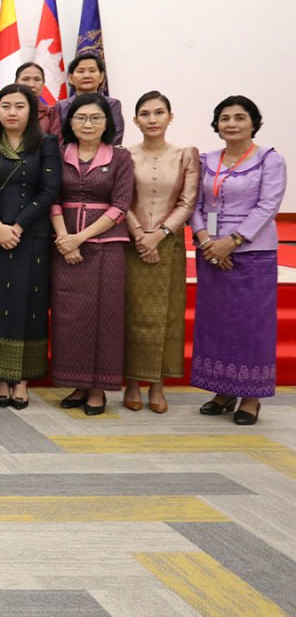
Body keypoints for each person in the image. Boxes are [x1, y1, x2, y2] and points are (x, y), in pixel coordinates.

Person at [191, 96, 286, 426]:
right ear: (217, 125)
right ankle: (222, 391)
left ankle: (251, 397)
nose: (231, 123)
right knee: (216, 324)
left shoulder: (269, 159)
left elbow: (268, 206)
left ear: (253, 123)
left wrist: (231, 243)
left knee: (251, 326)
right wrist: (206, 242)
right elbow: (195, 205)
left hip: (252, 253)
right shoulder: (206, 160)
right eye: (225, 118)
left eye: (239, 117)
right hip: (210, 252)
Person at [0, 84, 61, 409]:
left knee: (30, 304)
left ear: (32, 111)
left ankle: (22, 379)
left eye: (19, 106)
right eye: (5, 106)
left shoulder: (46, 144)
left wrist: (19, 226)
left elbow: (49, 190)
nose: (12, 112)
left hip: (31, 237)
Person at [50, 93, 135, 416]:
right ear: (70, 122)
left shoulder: (120, 157)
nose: (88, 124)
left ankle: (98, 388)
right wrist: (64, 238)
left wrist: (80, 238)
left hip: (106, 246)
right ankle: (78, 382)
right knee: (71, 315)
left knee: (104, 316)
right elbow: (52, 198)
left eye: (96, 118)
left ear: (107, 123)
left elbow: (121, 205)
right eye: (81, 117)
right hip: (64, 243)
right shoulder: (59, 153)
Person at [121, 92, 199, 413]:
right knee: (131, 313)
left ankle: (157, 386)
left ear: (170, 117)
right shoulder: (124, 155)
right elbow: (121, 200)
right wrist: (141, 235)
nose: (152, 119)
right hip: (131, 243)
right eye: (145, 113)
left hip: (169, 244)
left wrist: (159, 235)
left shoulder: (185, 155)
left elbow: (187, 202)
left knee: (167, 315)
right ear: (135, 120)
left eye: (159, 112)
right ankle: (131, 383)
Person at [55, 53, 124, 144]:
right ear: (70, 78)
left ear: (101, 77)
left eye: (92, 71)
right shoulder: (61, 106)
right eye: (81, 71)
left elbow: (115, 136)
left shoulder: (112, 104)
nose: (87, 75)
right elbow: (58, 138)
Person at [15, 61, 62, 137]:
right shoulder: (6, 110)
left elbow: (57, 141)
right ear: (16, 83)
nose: (31, 84)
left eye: (37, 80)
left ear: (43, 84)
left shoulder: (51, 113)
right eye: (25, 79)